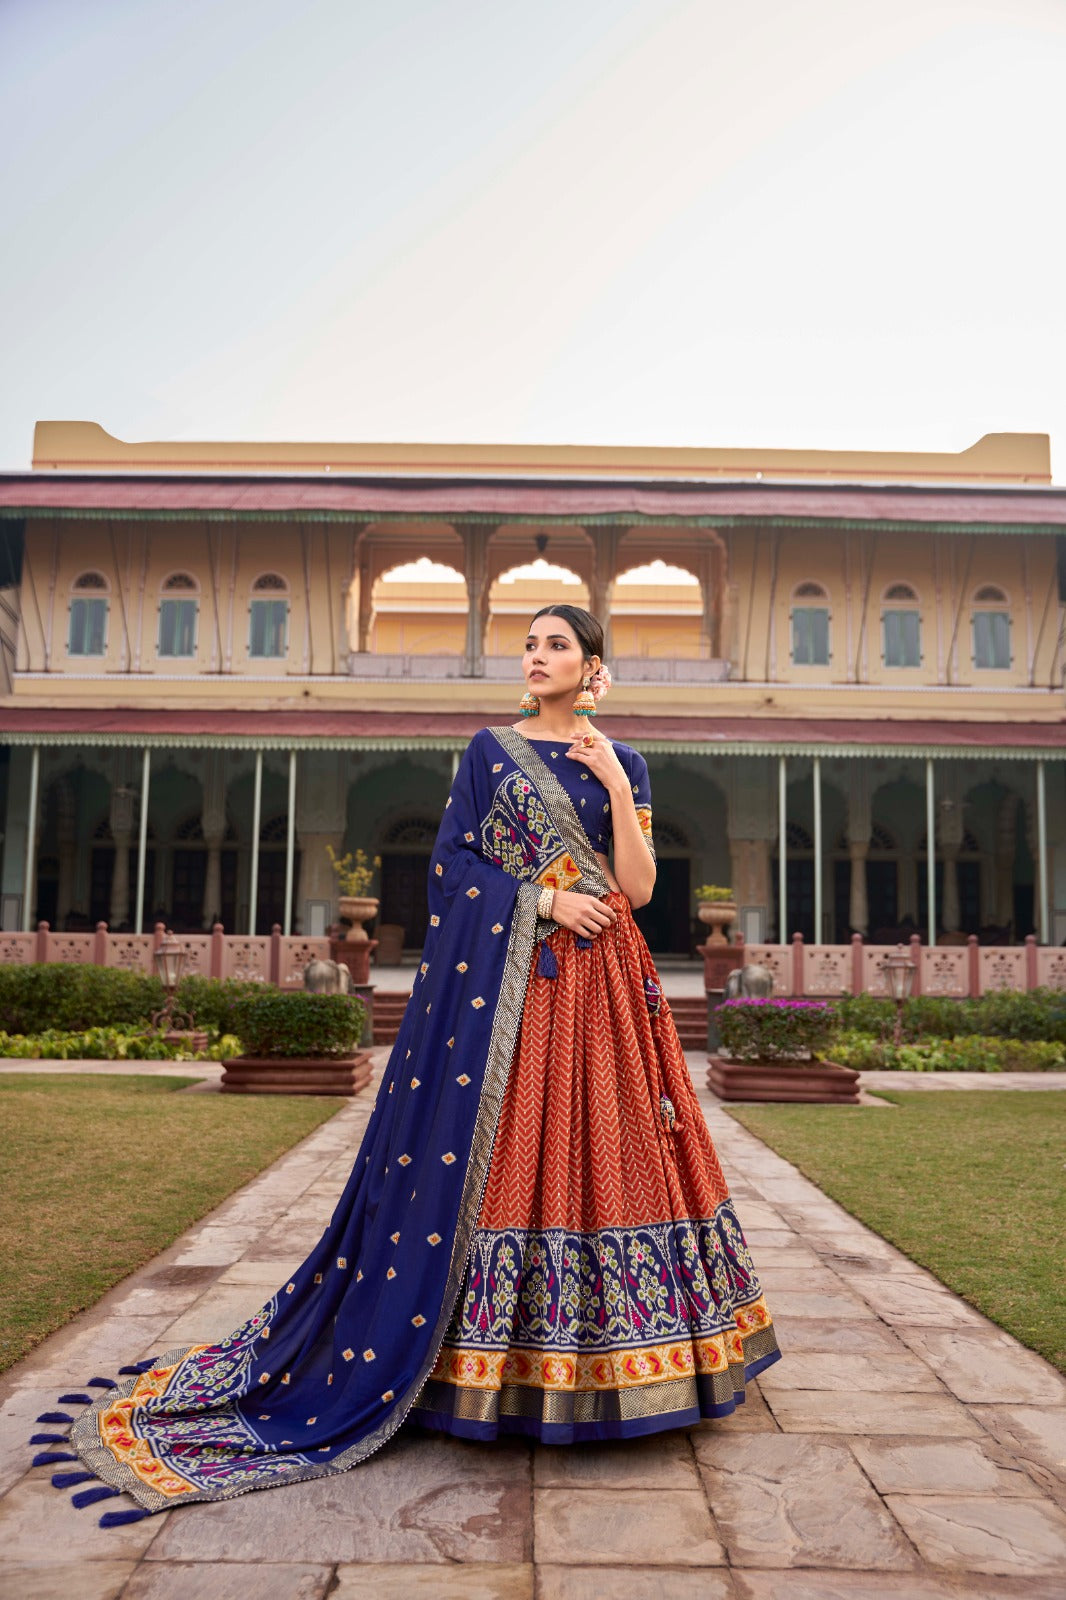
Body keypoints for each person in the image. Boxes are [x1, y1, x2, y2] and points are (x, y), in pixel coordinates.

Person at [47, 604, 779, 1525]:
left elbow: (636, 891)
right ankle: (482, 1369)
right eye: (531, 643)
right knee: (507, 1160)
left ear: (594, 665)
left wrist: (607, 780)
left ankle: (620, 1364)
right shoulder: (488, 753)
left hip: (606, 998)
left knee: (608, 1155)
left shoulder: (621, 760)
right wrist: (543, 907)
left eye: (559, 644)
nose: (538, 656)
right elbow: (450, 871)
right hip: (518, 991)